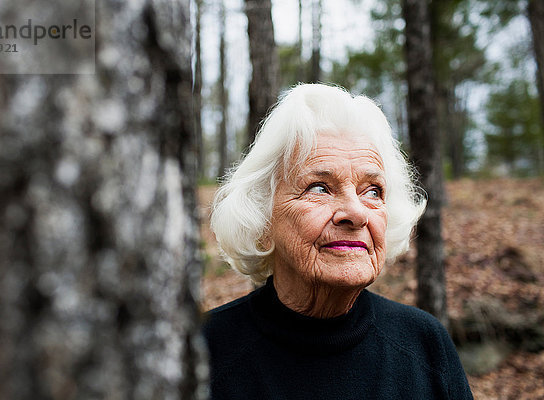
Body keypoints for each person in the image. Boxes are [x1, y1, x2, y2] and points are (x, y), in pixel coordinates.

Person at [203, 84, 473, 399]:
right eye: (319, 187)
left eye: (372, 191)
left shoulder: (425, 344)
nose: (356, 214)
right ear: (262, 217)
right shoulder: (203, 352)